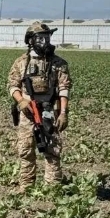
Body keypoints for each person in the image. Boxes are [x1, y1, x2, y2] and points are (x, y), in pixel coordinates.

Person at [8, 22, 72, 192]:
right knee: (26, 149)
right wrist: (21, 101)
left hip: (50, 110)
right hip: (28, 112)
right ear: (31, 40)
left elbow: (64, 89)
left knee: (52, 149)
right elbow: (13, 85)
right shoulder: (21, 62)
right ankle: (26, 186)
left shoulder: (59, 63)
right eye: (40, 38)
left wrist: (63, 113)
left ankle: (52, 188)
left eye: (47, 37)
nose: (44, 41)